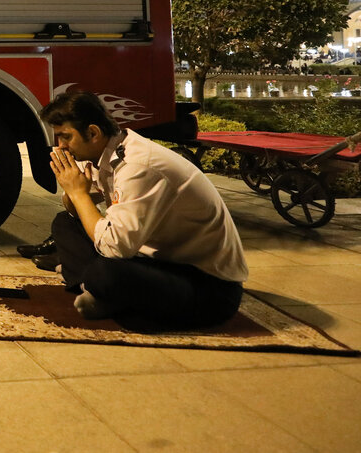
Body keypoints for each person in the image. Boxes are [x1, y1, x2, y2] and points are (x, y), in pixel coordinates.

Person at [40, 91, 248, 327]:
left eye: (66, 137)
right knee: (64, 223)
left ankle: (99, 289)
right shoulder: (105, 153)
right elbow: (78, 212)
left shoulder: (138, 166)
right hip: (152, 260)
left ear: (93, 133)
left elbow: (115, 249)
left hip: (207, 284)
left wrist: (79, 194)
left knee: (107, 272)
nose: (61, 147)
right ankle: (101, 292)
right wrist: (74, 193)